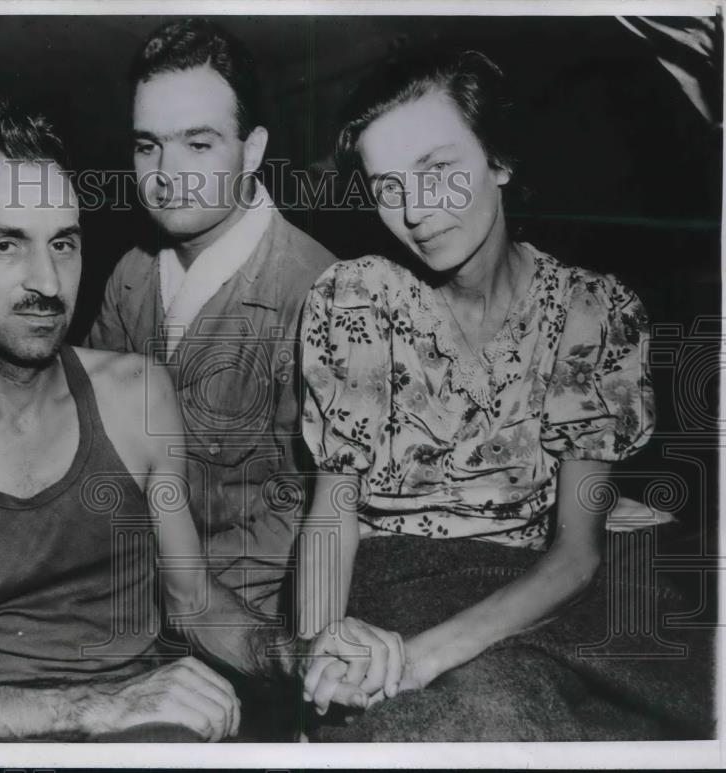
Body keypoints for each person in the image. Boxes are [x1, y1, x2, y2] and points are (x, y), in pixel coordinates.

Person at [0, 98, 376, 743]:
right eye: (7, 243)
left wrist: (296, 655)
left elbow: (192, 599)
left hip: (140, 729)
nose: (48, 282)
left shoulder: (138, 392)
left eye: (64, 243)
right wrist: (98, 707)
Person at [293, 49, 708, 741]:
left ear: (500, 162)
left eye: (439, 171)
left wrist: (424, 658)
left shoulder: (590, 311)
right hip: (395, 587)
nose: (417, 211)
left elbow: (576, 556)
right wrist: (316, 655)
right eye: (388, 187)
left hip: (540, 598)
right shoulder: (354, 300)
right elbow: (330, 517)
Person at [87, 18, 336, 620]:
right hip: (119, 581)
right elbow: (89, 440)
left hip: (245, 610)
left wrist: (174, 596)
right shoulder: (131, 274)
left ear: (252, 151)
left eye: (198, 145)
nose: (166, 174)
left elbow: (302, 517)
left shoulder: (320, 292)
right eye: (148, 145)